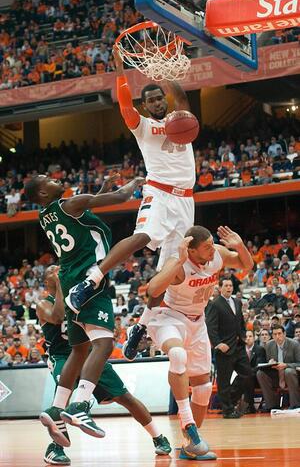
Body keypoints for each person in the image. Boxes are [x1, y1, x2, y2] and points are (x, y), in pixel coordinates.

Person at [66, 45, 196, 360]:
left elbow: (182, 101)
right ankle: (92, 279)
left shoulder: (179, 118)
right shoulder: (141, 126)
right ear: (144, 104)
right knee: (141, 237)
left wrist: (164, 75)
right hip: (159, 191)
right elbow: (124, 101)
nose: (156, 102)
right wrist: (120, 68)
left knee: (172, 270)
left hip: (186, 201)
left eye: (158, 98)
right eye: (149, 99)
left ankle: (140, 327)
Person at [24, 173, 143, 446]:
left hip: (68, 278)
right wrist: (135, 184)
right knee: (103, 344)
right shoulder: (70, 204)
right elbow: (122, 197)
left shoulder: (46, 215)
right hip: (89, 279)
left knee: (79, 350)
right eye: (48, 181)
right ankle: (80, 404)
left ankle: (56, 408)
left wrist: (101, 188)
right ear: (43, 194)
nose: (55, 180)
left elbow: (83, 211)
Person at [36, 266, 171, 463]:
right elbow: (57, 317)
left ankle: (158, 437)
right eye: (53, 270)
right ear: (46, 282)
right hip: (63, 356)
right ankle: (56, 448)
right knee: (60, 401)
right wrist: (59, 284)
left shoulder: (78, 297)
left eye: (60, 268)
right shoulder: (42, 304)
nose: (59, 270)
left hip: (89, 354)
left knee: (126, 398)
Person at [145, 225, 253, 459]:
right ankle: (188, 423)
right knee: (177, 355)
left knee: (203, 388)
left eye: (211, 244)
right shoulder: (179, 264)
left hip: (198, 321)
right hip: (170, 318)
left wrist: (240, 245)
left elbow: (246, 265)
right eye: (205, 247)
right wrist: (178, 259)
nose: (211, 249)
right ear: (191, 251)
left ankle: (190, 445)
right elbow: (152, 289)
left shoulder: (216, 254)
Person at [206, 278, 254, 419]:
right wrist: (218, 344)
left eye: (230, 285)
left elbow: (240, 322)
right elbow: (210, 326)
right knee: (224, 382)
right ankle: (227, 411)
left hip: (238, 346)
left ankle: (231, 402)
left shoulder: (237, 302)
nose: (228, 288)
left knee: (248, 374)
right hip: (224, 349)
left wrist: (244, 336)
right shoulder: (214, 304)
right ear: (220, 288)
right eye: (226, 285)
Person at [257, 324, 300, 411]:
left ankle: (295, 405)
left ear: (284, 334)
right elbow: (269, 363)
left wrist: (286, 365)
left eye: (279, 333)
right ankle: (272, 405)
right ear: (272, 335)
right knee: (260, 373)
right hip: (276, 375)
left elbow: (299, 363)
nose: (277, 336)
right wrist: (270, 363)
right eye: (275, 334)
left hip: (291, 376)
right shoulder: (269, 345)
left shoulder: (294, 344)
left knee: (288, 371)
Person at [232, 330, 266, 414]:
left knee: (247, 378)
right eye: (246, 337)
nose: (248, 338)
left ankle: (247, 405)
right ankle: (231, 405)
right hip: (243, 377)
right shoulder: (239, 350)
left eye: (250, 336)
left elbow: (259, 366)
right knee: (236, 379)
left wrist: (246, 373)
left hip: (257, 378)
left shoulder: (259, 349)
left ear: (254, 338)